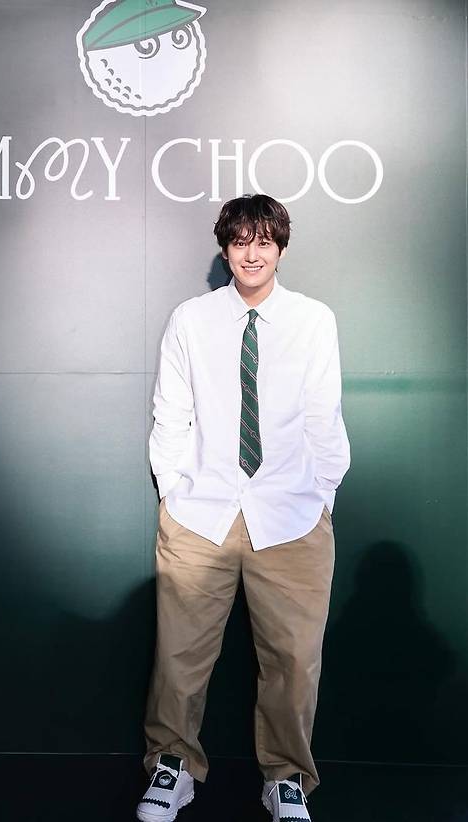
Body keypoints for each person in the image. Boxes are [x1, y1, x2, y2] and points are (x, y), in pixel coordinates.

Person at [136, 194, 350, 822]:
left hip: (291, 514)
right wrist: (173, 490)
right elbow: (171, 410)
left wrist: (321, 496)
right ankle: (172, 767)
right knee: (179, 654)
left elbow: (324, 415)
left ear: (280, 248)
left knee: (294, 659)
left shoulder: (313, 320)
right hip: (200, 513)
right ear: (225, 249)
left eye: (263, 242)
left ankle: (286, 778)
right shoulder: (192, 319)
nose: (251, 254)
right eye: (239, 242)